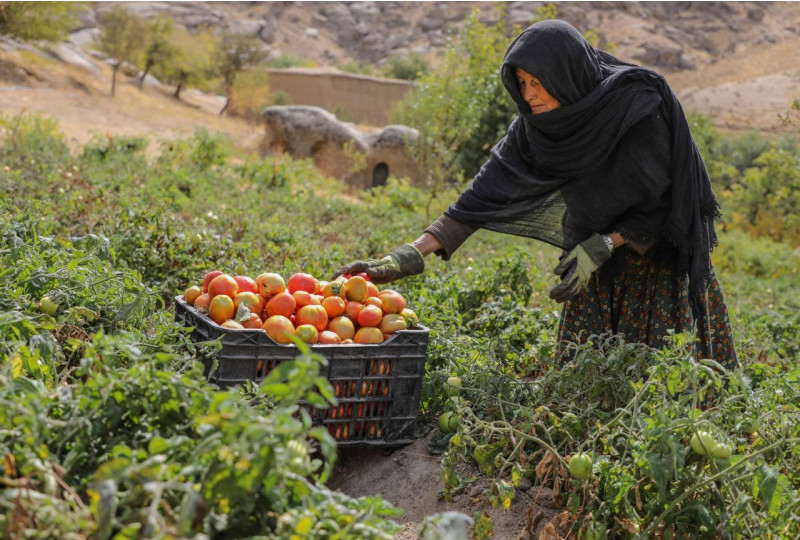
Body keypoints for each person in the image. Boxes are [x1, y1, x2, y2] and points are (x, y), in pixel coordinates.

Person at [334, 20, 737, 369]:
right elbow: (479, 198)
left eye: (538, 83)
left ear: (566, 74)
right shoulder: (535, 127)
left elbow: (671, 203)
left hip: (658, 266)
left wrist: (607, 243)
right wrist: (404, 257)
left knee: (666, 392)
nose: (529, 96)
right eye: (522, 84)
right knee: (585, 392)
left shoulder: (636, 109)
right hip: (590, 270)